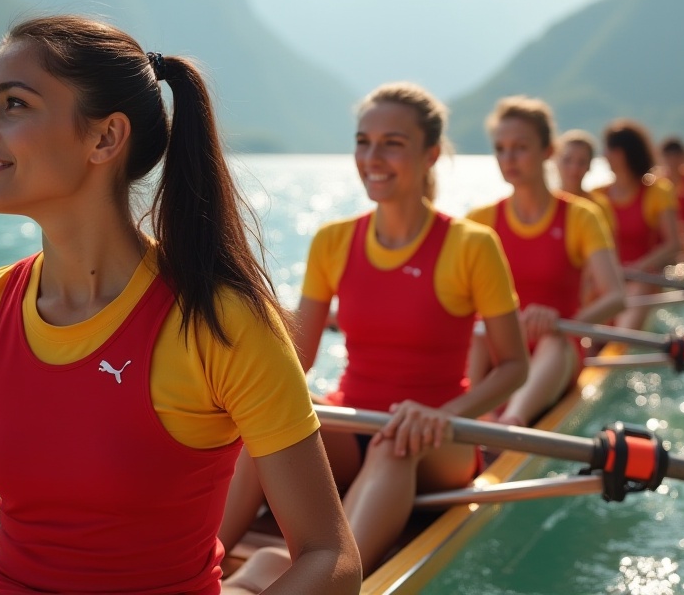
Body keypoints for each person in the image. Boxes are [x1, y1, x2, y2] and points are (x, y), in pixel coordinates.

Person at [0, 16, 360, 595]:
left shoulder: (221, 322)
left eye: (15, 104)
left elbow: (330, 556)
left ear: (104, 137)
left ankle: (252, 576)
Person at [220, 83, 529, 575]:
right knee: (267, 433)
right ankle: (198, 567)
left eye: (392, 143)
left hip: (440, 438)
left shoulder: (473, 245)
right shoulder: (332, 240)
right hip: (357, 419)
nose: (372, 156)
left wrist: (442, 414)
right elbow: (296, 358)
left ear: (430, 155)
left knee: (394, 445)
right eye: (364, 141)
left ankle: (337, 579)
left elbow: (513, 366)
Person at [465, 97, 625, 427]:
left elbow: (615, 297)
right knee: (478, 334)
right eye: (501, 149)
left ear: (547, 151)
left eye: (520, 147)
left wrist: (563, 320)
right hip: (497, 347)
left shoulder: (581, 216)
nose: (508, 159)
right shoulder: (479, 220)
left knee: (553, 341)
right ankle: (470, 416)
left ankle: (512, 423)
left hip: (557, 348)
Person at [590, 119, 680, 330]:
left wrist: (637, 267)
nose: (604, 156)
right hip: (609, 279)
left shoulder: (658, 191)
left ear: (623, 154)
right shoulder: (597, 196)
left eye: (608, 150)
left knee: (636, 288)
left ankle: (616, 342)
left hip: (642, 278)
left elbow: (674, 245)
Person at [554, 129, 600, 198]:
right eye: (567, 160)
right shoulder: (540, 204)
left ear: (589, 165)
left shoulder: (599, 206)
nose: (574, 168)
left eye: (582, 162)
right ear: (556, 162)